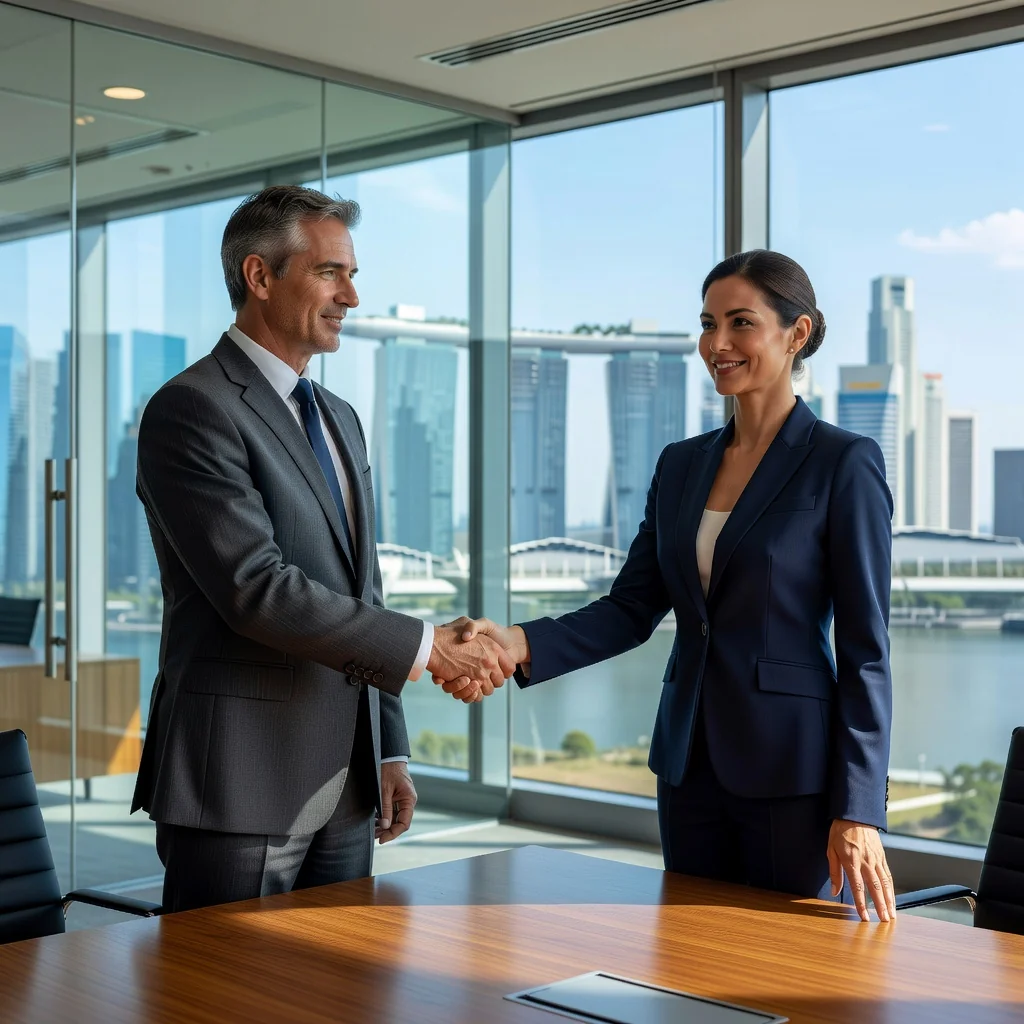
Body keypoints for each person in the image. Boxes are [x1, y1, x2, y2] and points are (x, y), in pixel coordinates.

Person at [445, 250, 897, 923]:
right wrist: (514, 642)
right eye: (709, 324)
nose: (717, 343)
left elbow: (867, 651)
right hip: (688, 766)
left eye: (741, 322)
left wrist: (859, 808)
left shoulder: (843, 463)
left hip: (792, 772)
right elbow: (631, 607)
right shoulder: (681, 464)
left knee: (787, 964)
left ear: (796, 334)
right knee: (686, 950)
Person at [132, 185, 510, 913]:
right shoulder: (193, 408)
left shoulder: (338, 417)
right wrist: (431, 648)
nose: (351, 297)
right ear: (259, 275)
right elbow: (255, 589)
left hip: (349, 784)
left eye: (353, 274)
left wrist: (388, 748)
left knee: (341, 976)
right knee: (226, 978)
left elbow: (363, 589)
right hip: (241, 777)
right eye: (330, 272)